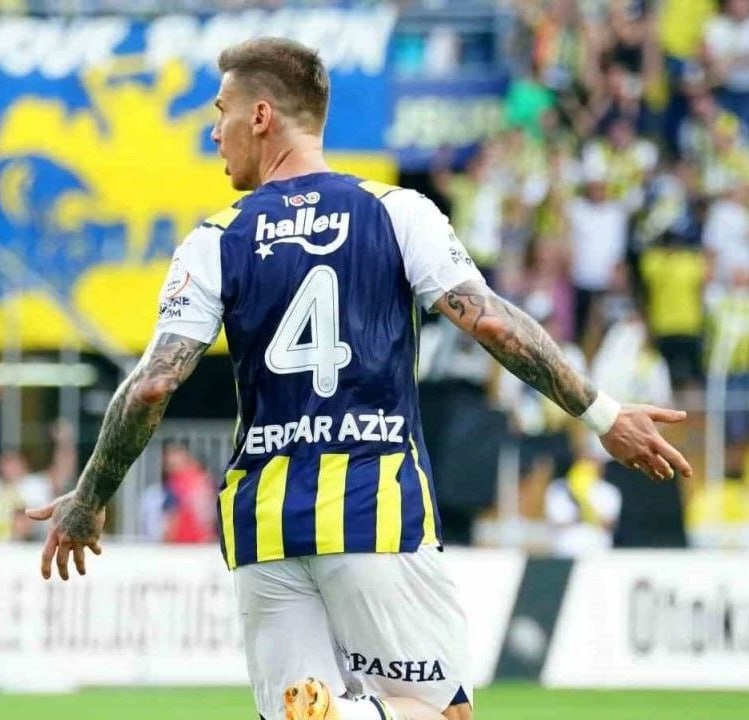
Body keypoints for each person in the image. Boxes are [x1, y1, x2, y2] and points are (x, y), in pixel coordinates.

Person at [26, 37, 692, 720]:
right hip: (374, 509)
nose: (214, 131)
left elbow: (152, 384)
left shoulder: (214, 240)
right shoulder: (396, 212)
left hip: (262, 527)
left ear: (261, 116)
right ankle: (348, 714)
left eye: (221, 112)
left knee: (298, 713)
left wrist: (90, 496)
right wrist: (603, 415)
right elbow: (491, 322)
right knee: (441, 715)